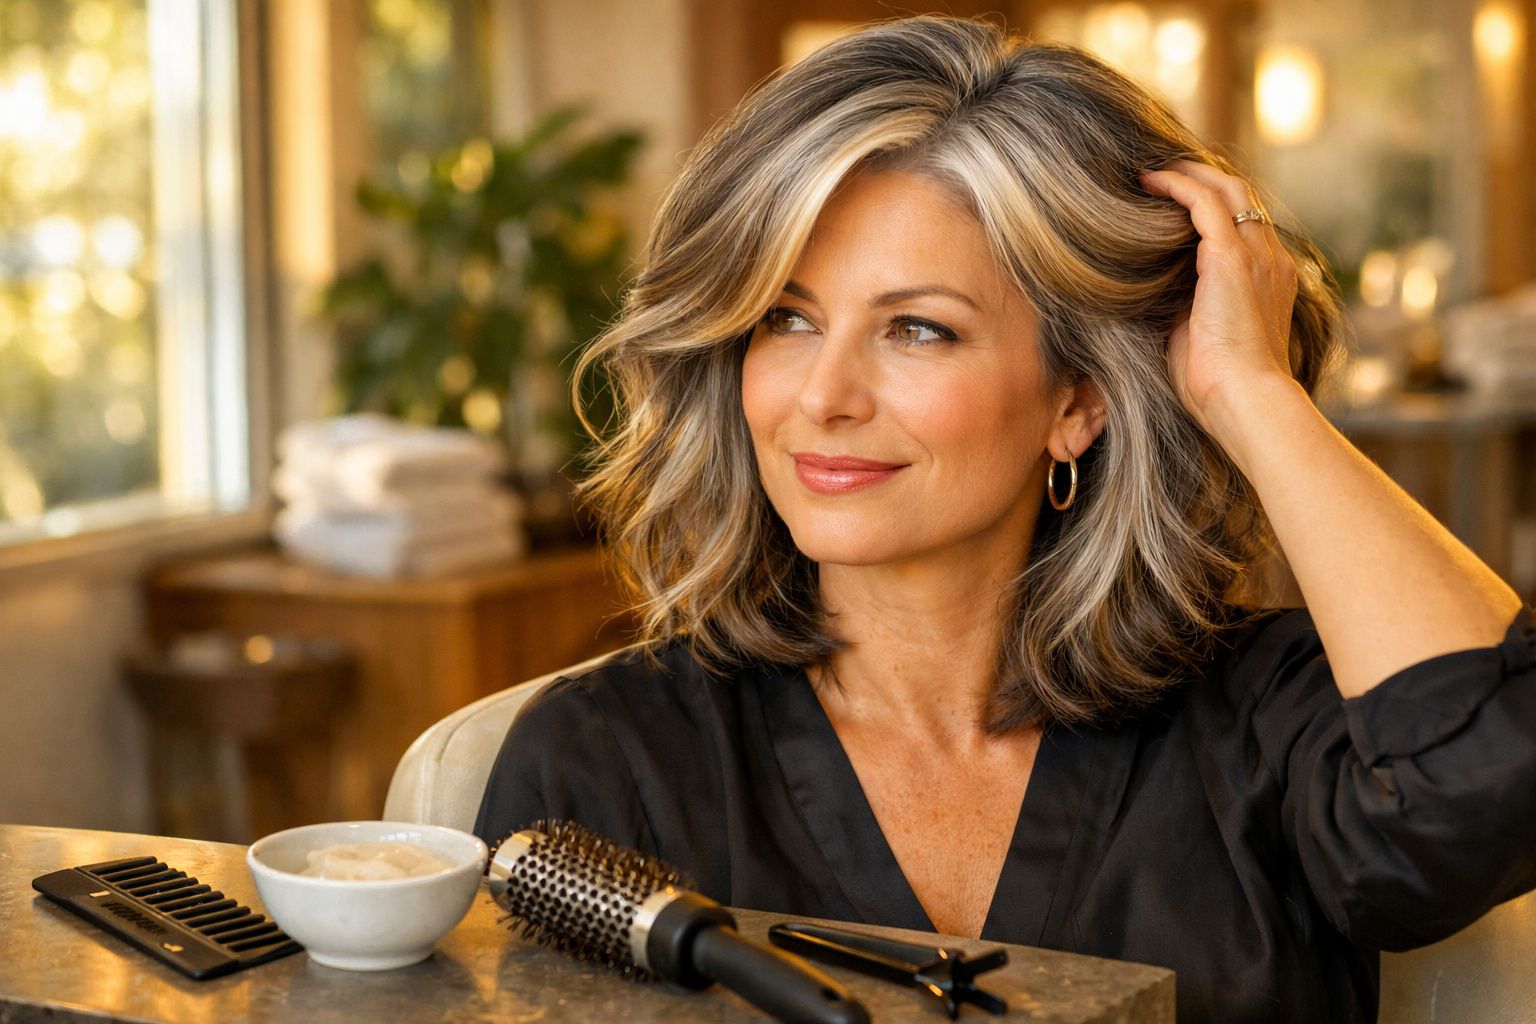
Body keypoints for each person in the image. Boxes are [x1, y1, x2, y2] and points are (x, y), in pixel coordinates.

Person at [475, 16, 1535, 1021]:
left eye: (919, 330)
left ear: (1077, 402)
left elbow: (1491, 779)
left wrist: (1251, 389)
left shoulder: (1269, 723)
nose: (823, 395)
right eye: (786, 318)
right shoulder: (607, 760)